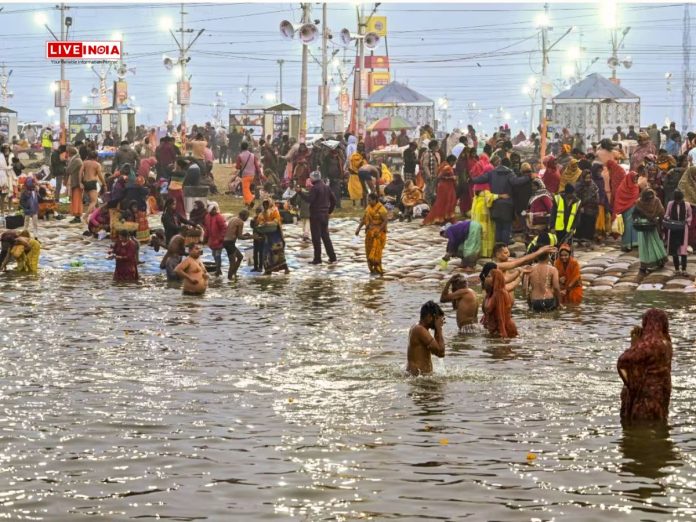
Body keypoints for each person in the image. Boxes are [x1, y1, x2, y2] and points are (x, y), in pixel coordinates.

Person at [617, 309, 672, 426]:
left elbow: (623, 361)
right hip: (661, 395)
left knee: (640, 432)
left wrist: (635, 344)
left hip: (645, 398)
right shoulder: (667, 343)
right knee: (658, 428)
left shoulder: (649, 344)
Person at [470, 157, 529, 245]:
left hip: (495, 204)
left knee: (498, 227)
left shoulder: (491, 173)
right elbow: (516, 182)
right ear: (509, 165)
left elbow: (480, 179)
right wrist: (528, 177)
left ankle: (498, 249)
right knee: (506, 227)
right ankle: (504, 248)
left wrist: (471, 180)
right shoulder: (510, 173)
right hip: (507, 205)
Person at [301, 170, 337, 265]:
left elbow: (309, 199)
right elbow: (334, 200)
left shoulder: (315, 188)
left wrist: (300, 193)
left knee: (316, 238)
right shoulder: (326, 187)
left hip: (316, 215)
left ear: (313, 179)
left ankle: (317, 258)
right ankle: (332, 257)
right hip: (324, 215)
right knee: (326, 237)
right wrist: (329, 210)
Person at [406, 300, 446, 376]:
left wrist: (437, 328)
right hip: (419, 379)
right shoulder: (420, 330)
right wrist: (439, 328)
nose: (438, 321)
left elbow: (438, 352)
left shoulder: (417, 327)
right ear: (430, 317)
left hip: (418, 377)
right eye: (436, 318)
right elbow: (441, 353)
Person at [634, 189, 668, 274]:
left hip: (651, 226)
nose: (650, 201)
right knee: (647, 246)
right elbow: (635, 214)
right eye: (648, 199)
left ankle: (658, 261)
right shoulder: (641, 202)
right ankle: (646, 264)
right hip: (645, 226)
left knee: (653, 243)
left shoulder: (655, 201)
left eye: (651, 198)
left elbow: (661, 213)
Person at [355, 192, 388, 275]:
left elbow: (385, 221)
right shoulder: (368, 208)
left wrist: (379, 230)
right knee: (368, 250)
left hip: (378, 234)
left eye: (369, 200)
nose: (368, 202)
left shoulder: (382, 209)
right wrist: (358, 228)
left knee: (376, 251)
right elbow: (364, 219)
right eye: (367, 200)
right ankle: (371, 268)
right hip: (369, 232)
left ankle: (378, 267)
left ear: (375, 200)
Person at [481, 268, 518, 338]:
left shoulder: (499, 294)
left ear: (495, 280)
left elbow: (501, 317)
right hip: (494, 331)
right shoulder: (489, 294)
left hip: (505, 330)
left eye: (489, 276)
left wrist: (503, 336)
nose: (486, 278)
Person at [257, 197, 289, 275]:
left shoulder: (275, 210)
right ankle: (268, 270)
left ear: (270, 203)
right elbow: (260, 221)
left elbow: (276, 221)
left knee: (278, 253)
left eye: (266, 204)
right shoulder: (262, 213)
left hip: (276, 235)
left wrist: (268, 223)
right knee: (266, 253)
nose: (265, 205)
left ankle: (285, 268)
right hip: (266, 236)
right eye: (264, 204)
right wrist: (261, 224)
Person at [664, 189, 692, 276]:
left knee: (683, 250)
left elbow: (690, 216)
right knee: (674, 249)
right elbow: (666, 215)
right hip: (673, 229)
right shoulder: (670, 204)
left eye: (679, 200)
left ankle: (683, 269)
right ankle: (676, 269)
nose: (678, 202)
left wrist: (686, 221)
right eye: (677, 200)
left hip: (683, 229)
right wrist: (669, 219)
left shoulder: (687, 205)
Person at [423, 154, 458, 225]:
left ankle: (442, 218)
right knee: (446, 202)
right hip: (445, 187)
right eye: (454, 162)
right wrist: (451, 178)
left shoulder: (443, 164)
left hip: (444, 186)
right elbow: (439, 176)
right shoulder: (447, 167)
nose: (454, 164)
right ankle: (444, 218)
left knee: (443, 203)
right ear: (451, 161)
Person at [613, 170, 640, 252]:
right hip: (625, 211)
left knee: (634, 226)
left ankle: (635, 243)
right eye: (634, 178)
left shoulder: (635, 187)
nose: (635, 180)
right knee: (627, 227)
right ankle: (626, 244)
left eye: (636, 178)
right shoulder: (622, 188)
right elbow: (618, 200)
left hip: (634, 209)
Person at [223, 209, 252, 279]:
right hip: (230, 243)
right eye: (247, 217)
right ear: (244, 216)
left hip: (226, 241)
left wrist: (246, 235)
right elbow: (240, 237)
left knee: (240, 257)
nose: (247, 218)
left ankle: (234, 273)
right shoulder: (240, 222)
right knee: (232, 263)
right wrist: (252, 237)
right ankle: (229, 278)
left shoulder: (233, 219)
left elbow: (236, 234)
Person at [574, 170, 599, 244]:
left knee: (590, 223)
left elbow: (596, 195)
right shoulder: (579, 185)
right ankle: (580, 238)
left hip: (592, 208)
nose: (588, 180)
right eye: (586, 178)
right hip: (582, 208)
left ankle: (588, 238)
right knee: (582, 223)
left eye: (589, 178)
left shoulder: (593, 185)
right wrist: (580, 206)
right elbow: (576, 197)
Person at [202, 202, 227, 277]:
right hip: (212, 240)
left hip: (219, 240)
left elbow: (224, 228)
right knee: (214, 254)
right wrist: (205, 238)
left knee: (217, 255)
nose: (214, 211)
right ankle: (218, 268)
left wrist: (220, 238)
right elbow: (207, 228)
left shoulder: (219, 217)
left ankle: (218, 270)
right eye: (212, 210)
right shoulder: (207, 217)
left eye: (215, 209)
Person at [80, 150, 106, 221]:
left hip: (85, 182)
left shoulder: (84, 163)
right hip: (92, 183)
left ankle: (96, 215)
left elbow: (80, 172)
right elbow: (100, 175)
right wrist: (104, 183)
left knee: (95, 201)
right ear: (96, 157)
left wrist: (80, 182)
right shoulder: (97, 164)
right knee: (93, 201)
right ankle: (85, 216)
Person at [236, 141, 262, 208]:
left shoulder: (240, 156)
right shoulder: (252, 155)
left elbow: (237, 167)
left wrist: (241, 165)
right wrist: (259, 173)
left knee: (245, 190)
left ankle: (251, 199)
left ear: (241, 147)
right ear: (248, 147)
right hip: (252, 175)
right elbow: (256, 166)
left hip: (245, 175)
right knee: (247, 189)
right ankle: (247, 203)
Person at [65, 146, 84, 224]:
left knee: (77, 200)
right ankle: (76, 216)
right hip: (75, 182)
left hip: (77, 183)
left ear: (70, 153)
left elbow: (68, 170)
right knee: (75, 199)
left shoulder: (76, 160)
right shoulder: (76, 159)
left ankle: (77, 216)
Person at [421, 140, 441, 205]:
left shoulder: (434, 153)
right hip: (430, 176)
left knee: (431, 191)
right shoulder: (427, 153)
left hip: (434, 176)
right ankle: (427, 206)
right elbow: (425, 165)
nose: (438, 147)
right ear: (433, 146)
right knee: (429, 192)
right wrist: (429, 175)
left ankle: (429, 206)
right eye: (437, 145)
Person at [347, 142, 367, 207]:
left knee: (362, 189)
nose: (361, 148)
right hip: (354, 175)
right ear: (357, 148)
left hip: (361, 175)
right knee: (353, 190)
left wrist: (364, 158)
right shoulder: (354, 156)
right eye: (360, 147)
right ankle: (354, 203)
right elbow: (357, 165)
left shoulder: (364, 155)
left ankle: (362, 203)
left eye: (362, 147)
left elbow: (366, 164)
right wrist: (362, 159)